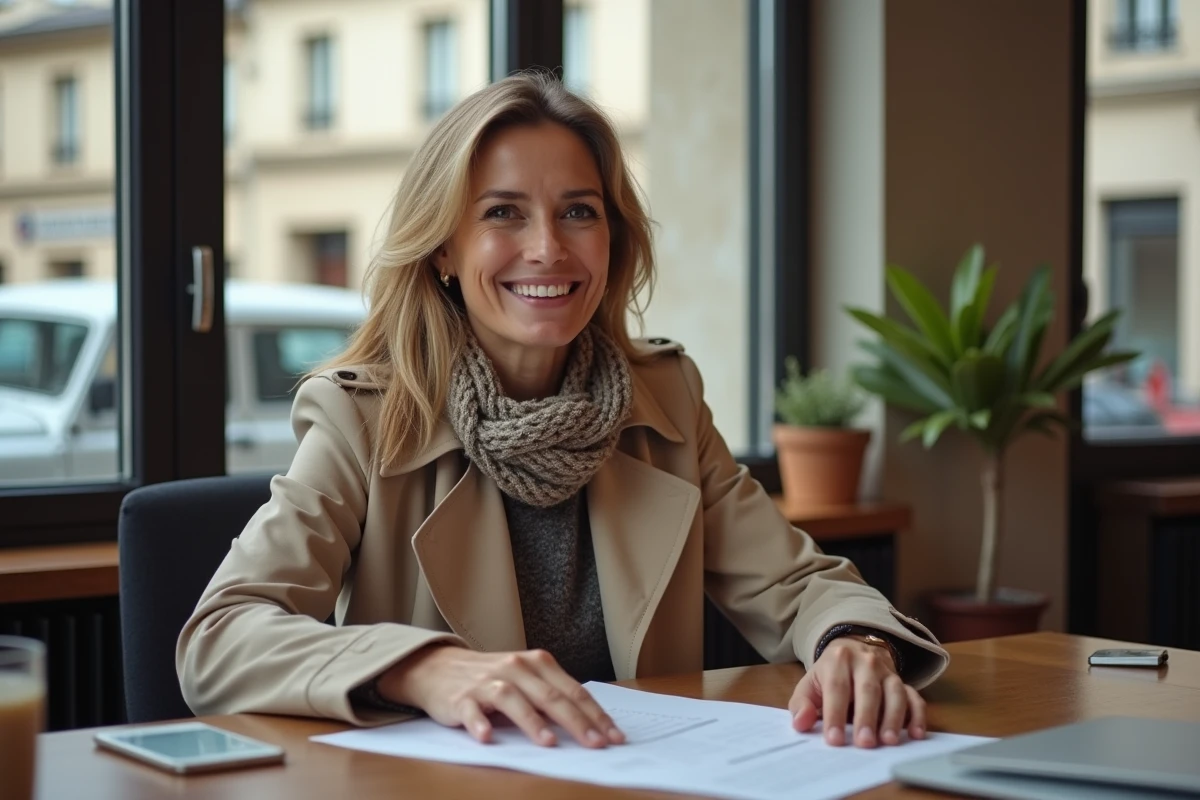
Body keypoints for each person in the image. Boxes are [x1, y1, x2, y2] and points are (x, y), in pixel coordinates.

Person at [177, 71, 949, 752]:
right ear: (443, 248)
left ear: (613, 238)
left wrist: (854, 642)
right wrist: (422, 667)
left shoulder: (665, 398)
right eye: (504, 214)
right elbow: (220, 637)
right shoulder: (367, 417)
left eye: (578, 212)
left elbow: (796, 583)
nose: (547, 248)